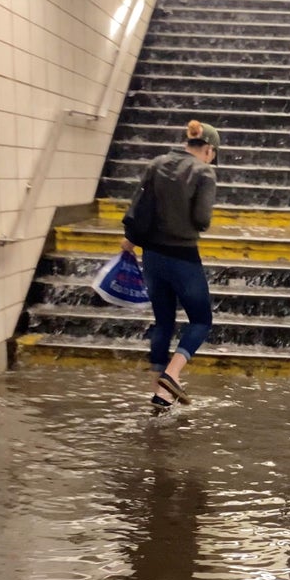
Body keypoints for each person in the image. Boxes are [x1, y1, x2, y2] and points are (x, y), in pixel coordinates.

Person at [121, 119, 220, 410]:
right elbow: (202, 220)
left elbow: (137, 206)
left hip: (152, 255)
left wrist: (131, 239)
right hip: (183, 257)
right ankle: (172, 374)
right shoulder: (204, 172)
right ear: (209, 150)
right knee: (201, 320)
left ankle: (159, 394)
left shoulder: (157, 164)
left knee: (163, 321)